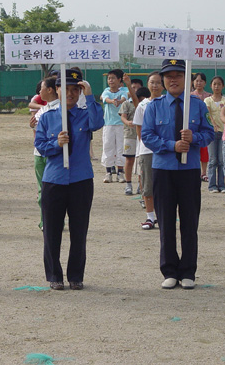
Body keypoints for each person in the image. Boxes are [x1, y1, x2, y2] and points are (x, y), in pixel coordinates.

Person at [142, 59, 215, 290]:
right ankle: (169, 270)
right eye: (168, 76)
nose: (173, 80)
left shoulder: (198, 105)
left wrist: (194, 138)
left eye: (178, 75)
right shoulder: (154, 106)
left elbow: (209, 133)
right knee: (165, 222)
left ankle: (188, 271)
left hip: (189, 171)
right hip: (163, 170)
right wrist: (171, 145)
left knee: (189, 221)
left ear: (187, 78)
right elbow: (147, 136)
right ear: (163, 80)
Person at [35, 69, 104, 290]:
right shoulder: (47, 117)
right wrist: (56, 144)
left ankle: (76, 275)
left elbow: (97, 123)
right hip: (54, 180)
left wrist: (90, 94)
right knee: (52, 231)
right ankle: (54, 276)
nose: (71, 93)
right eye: (66, 89)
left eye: (76, 89)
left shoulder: (86, 113)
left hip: (81, 180)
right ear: (56, 90)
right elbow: (41, 146)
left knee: (79, 230)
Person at [133, 72, 163, 230]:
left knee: (164, 186)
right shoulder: (142, 106)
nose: (155, 85)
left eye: (158, 82)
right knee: (148, 185)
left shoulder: (167, 103)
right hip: (146, 151)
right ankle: (150, 217)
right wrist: (150, 145)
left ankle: (163, 216)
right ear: (148, 84)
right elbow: (139, 131)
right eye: (152, 82)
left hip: (165, 150)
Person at [30, 76, 59, 230]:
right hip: (39, 154)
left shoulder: (60, 109)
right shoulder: (43, 109)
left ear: (49, 90)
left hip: (52, 154)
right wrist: (32, 125)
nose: (39, 91)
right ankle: (45, 221)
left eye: (41, 88)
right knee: (42, 190)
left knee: (53, 190)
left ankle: (55, 220)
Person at [100, 69, 129, 183]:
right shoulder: (106, 91)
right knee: (108, 146)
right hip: (108, 124)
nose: (110, 80)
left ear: (119, 80)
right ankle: (108, 172)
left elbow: (124, 97)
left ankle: (120, 172)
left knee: (121, 147)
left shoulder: (123, 90)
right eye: (109, 78)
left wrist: (119, 101)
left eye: (113, 78)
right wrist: (112, 101)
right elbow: (105, 98)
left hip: (121, 124)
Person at [204, 76, 225, 193]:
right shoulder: (207, 100)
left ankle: (222, 185)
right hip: (212, 133)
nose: (217, 86)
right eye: (214, 84)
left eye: (219, 84)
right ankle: (212, 185)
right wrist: (213, 125)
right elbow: (208, 115)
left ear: (223, 86)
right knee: (213, 160)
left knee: (222, 160)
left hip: (224, 133)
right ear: (211, 86)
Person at [119, 78, 143, 195]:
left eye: (137, 88)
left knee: (141, 161)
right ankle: (128, 184)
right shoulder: (126, 103)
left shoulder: (143, 103)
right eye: (132, 87)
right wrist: (127, 122)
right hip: (129, 134)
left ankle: (140, 184)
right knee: (129, 159)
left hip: (141, 136)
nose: (135, 90)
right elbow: (123, 116)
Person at [191, 72, 212, 182]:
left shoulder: (209, 96)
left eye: (201, 81)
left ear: (205, 83)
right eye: (196, 80)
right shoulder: (189, 96)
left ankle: (204, 172)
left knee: (204, 150)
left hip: (204, 126)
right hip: (193, 126)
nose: (198, 83)